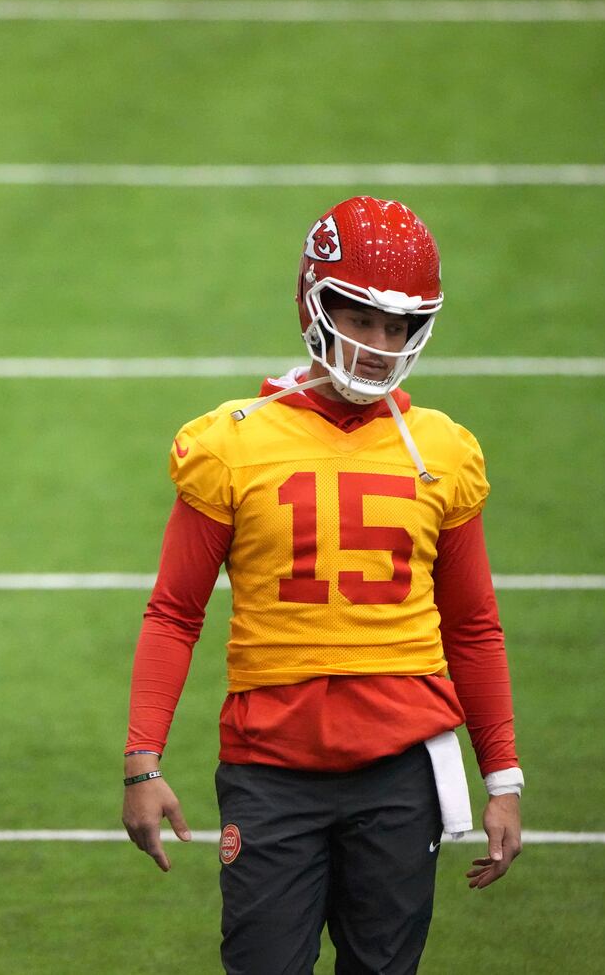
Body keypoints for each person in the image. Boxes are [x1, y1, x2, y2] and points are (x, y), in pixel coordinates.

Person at [121, 197, 523, 973]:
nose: (379, 345)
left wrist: (502, 775)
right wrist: (143, 759)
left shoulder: (441, 448)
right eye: (362, 318)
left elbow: (473, 624)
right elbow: (174, 611)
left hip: (401, 771)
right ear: (316, 302)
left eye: (397, 327)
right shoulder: (232, 441)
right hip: (271, 770)